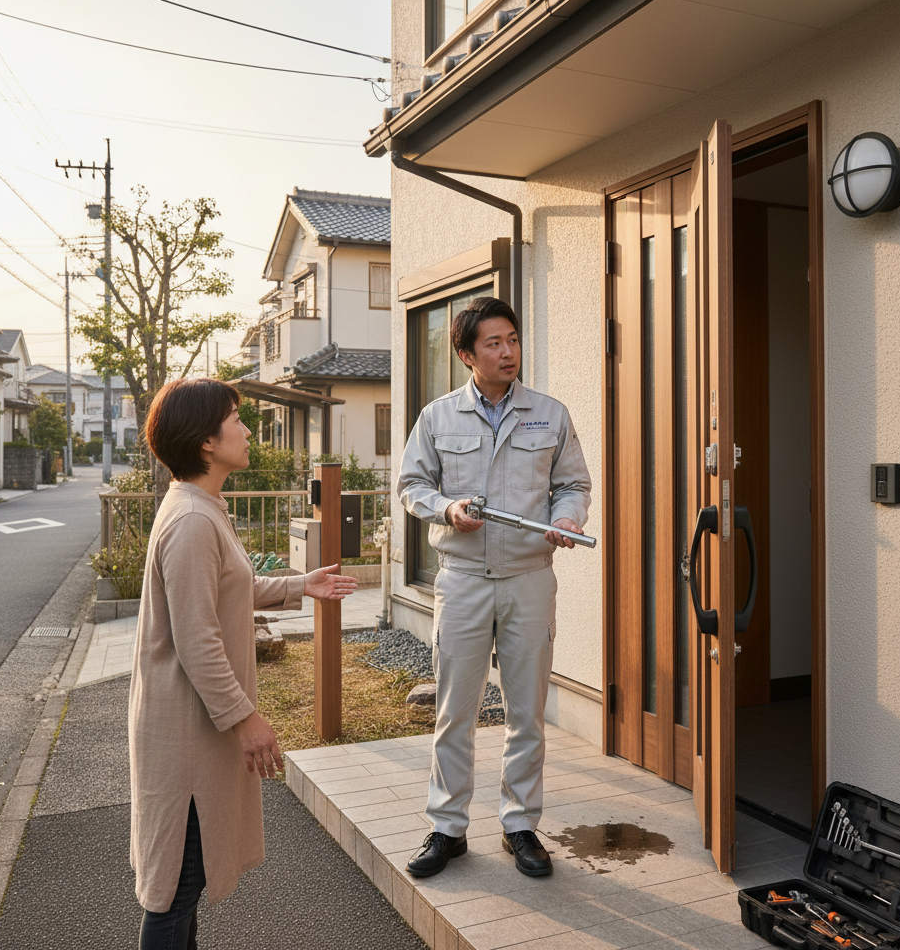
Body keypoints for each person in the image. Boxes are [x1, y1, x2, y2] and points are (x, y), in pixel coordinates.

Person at [129, 377, 357, 948]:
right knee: (173, 893)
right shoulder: (192, 521)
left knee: (184, 885)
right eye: (236, 419)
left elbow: (230, 587)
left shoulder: (202, 507)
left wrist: (301, 584)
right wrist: (246, 719)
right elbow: (197, 637)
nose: (248, 429)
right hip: (185, 733)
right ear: (207, 442)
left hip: (192, 727)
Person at [397, 297, 591, 879]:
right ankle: (447, 828)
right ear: (466, 354)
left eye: (513, 340)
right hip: (462, 582)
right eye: (494, 343)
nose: (508, 352)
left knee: (525, 712)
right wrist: (446, 508)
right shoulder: (437, 417)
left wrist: (569, 517)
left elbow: (573, 483)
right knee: (454, 711)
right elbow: (411, 486)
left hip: (530, 580)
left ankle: (520, 825)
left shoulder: (550, 414)